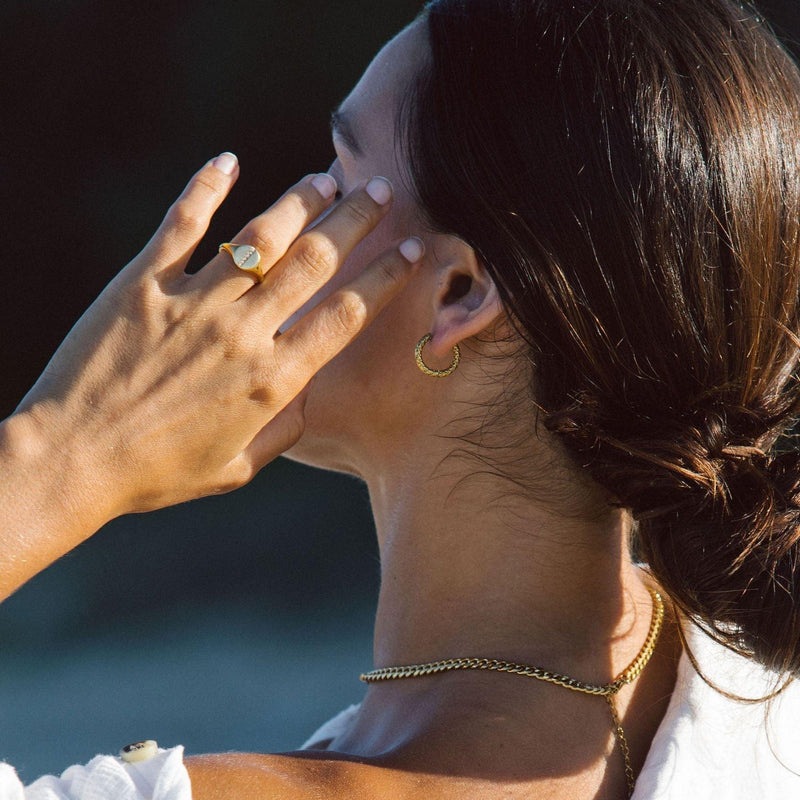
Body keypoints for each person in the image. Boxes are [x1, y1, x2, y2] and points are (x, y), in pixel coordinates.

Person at [2, 0, 800, 797]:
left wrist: (67, 451)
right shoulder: (767, 713)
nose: (279, 218)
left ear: (460, 292)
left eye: (339, 179)